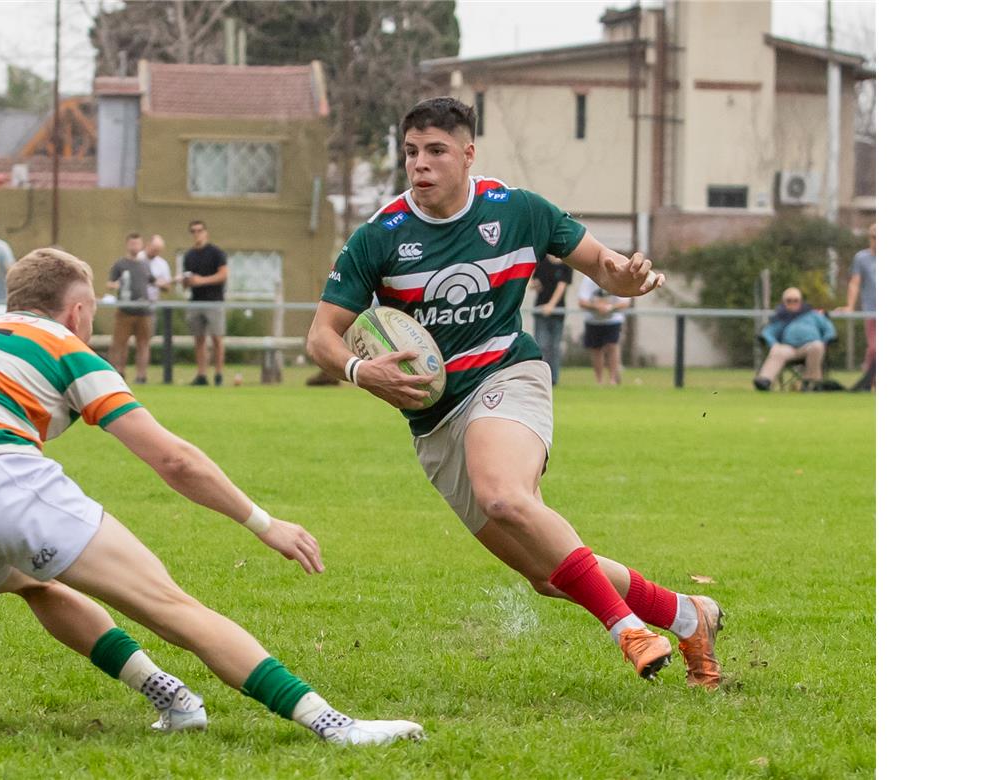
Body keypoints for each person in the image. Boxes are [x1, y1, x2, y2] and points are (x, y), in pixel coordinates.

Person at [0, 247, 424, 745]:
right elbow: (173, 458)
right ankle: (333, 724)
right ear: (79, 310)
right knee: (170, 606)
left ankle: (173, 699)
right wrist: (264, 523)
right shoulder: (65, 345)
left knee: (35, 584)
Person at [306, 97, 724, 689]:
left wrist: (625, 277)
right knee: (549, 576)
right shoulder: (381, 236)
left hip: (508, 375)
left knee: (503, 496)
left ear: (468, 154)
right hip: (434, 417)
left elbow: (603, 265)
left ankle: (627, 629)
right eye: (410, 153)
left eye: (435, 151)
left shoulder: (519, 210)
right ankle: (689, 615)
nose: (419, 165)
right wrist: (357, 370)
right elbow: (321, 335)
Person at [754, 287, 837, 392]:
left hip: (809, 346)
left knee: (817, 346)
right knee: (777, 350)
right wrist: (773, 343)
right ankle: (765, 380)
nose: (792, 303)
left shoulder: (813, 315)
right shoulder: (780, 317)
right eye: (789, 301)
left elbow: (829, 329)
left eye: (795, 300)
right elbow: (767, 332)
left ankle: (810, 382)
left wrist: (826, 341)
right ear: (784, 302)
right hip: (789, 348)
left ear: (801, 301)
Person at [181, 220, 228, 386]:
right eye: (193, 231)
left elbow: (223, 275)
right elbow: (187, 280)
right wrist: (186, 281)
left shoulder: (216, 253)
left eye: (199, 230)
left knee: (217, 338)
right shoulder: (189, 256)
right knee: (199, 339)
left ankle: (219, 374)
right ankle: (201, 374)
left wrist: (201, 281)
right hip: (196, 302)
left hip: (214, 301)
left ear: (206, 232)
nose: (197, 234)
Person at [107, 233, 155, 383]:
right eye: (132, 243)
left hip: (144, 311)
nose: (135, 246)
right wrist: (118, 285)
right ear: (127, 245)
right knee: (120, 343)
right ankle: (119, 373)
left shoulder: (145, 265)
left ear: (141, 245)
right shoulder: (120, 264)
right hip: (125, 310)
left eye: (137, 244)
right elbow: (109, 283)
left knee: (143, 343)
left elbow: (153, 282)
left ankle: (142, 376)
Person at [836, 223, 875, 391]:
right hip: (872, 311)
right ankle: (869, 380)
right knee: (875, 348)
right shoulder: (862, 258)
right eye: (874, 237)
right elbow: (855, 283)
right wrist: (850, 306)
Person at [575, 275, 631, 386]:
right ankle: (599, 381)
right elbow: (582, 302)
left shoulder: (617, 278)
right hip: (593, 320)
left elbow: (625, 302)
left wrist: (610, 307)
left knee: (612, 346)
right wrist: (596, 307)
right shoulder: (588, 279)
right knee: (596, 349)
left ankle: (613, 380)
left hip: (613, 320)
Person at [527, 254, 573, 386]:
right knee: (541, 345)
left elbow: (562, 286)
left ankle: (553, 379)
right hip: (540, 310)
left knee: (554, 346)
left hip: (557, 312)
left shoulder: (566, 264)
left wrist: (551, 305)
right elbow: (530, 280)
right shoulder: (541, 261)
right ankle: (541, 377)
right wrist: (533, 284)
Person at [141, 234, 173, 304]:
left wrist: (160, 284)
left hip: (152, 304)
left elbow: (168, 287)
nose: (155, 253)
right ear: (148, 244)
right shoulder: (137, 258)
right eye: (154, 249)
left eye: (158, 251)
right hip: (135, 303)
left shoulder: (162, 264)